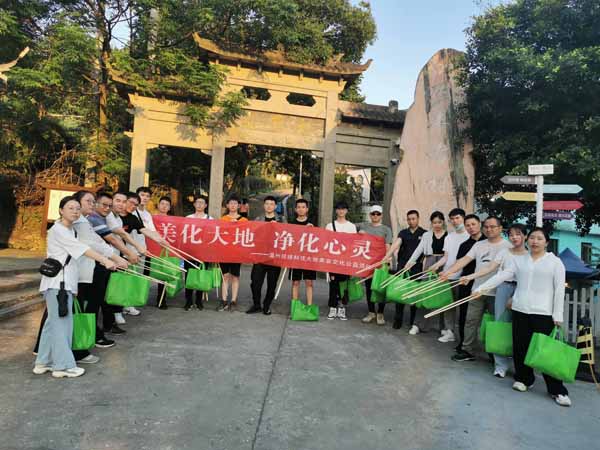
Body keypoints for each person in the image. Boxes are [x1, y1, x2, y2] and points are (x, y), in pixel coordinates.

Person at [472, 227, 571, 407]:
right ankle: (524, 379)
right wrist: (481, 288)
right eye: (532, 238)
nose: (535, 241)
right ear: (527, 240)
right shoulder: (519, 261)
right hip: (520, 310)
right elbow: (502, 275)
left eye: (539, 238)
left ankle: (557, 390)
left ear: (546, 242)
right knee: (520, 347)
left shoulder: (555, 262)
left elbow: (559, 290)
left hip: (544, 313)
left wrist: (558, 314)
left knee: (545, 351)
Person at [33, 196, 116, 379]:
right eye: (70, 208)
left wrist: (74, 288)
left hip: (64, 284)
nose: (75, 211)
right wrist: (105, 260)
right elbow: (82, 249)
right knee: (62, 325)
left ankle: (43, 362)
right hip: (58, 285)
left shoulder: (70, 230)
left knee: (52, 324)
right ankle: (62, 366)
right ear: (61, 210)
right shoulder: (59, 230)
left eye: (77, 208)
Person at [459, 223, 528, 377]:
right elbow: (489, 269)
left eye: (518, 234)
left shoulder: (529, 256)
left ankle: (520, 368)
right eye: (511, 235)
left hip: (522, 290)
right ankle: (500, 366)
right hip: (503, 289)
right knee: (499, 324)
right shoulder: (505, 252)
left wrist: (515, 297)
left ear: (525, 236)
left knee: (519, 328)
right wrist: (471, 278)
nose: (514, 237)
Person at [442, 216, 512, 363]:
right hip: (477, 290)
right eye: (486, 227)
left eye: (492, 227)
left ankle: (495, 353)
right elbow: (464, 260)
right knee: (470, 321)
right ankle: (467, 350)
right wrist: (448, 272)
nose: (489, 229)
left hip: (498, 293)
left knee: (495, 324)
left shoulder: (508, 247)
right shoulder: (479, 245)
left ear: (500, 228)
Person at [72, 190, 128, 357]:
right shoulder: (78, 222)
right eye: (88, 201)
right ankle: (83, 344)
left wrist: (113, 258)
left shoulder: (85, 220)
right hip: (80, 272)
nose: (92, 204)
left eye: (92, 201)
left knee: (88, 307)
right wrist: (112, 258)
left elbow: (97, 243)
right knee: (85, 309)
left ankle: (87, 340)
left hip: (88, 270)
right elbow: (92, 244)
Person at [87, 192, 137, 335]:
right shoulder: (93, 218)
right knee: (95, 300)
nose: (107, 208)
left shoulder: (106, 217)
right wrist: (128, 254)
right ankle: (93, 332)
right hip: (97, 263)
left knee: (105, 295)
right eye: (105, 205)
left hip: (107, 261)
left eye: (109, 205)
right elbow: (112, 240)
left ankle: (106, 326)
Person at [426, 208, 470, 343]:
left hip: (463, 277)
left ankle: (464, 336)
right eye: (452, 219)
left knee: (463, 307)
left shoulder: (469, 236)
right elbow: (446, 257)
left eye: (457, 218)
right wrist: (436, 265)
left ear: (463, 218)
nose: (455, 221)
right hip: (447, 276)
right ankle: (449, 331)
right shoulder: (449, 237)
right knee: (447, 305)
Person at [122, 193, 171, 309]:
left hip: (139, 251)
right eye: (131, 202)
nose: (133, 206)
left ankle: (127, 304)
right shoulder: (115, 215)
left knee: (135, 277)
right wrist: (136, 247)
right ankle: (120, 307)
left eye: (135, 204)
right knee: (123, 279)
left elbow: (146, 230)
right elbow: (121, 234)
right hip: (126, 252)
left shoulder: (139, 217)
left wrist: (161, 241)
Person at [404, 211, 447, 335]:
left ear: (443, 222)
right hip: (429, 263)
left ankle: (443, 327)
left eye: (439, 222)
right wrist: (410, 262)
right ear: (431, 223)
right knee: (424, 293)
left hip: (444, 265)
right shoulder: (427, 235)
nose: (437, 225)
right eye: (434, 222)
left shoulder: (449, 236)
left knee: (441, 295)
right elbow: (419, 250)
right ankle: (418, 324)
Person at [383, 209, 426, 329]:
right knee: (400, 292)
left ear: (418, 219)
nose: (411, 221)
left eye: (413, 219)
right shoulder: (403, 233)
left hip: (417, 268)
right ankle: (398, 319)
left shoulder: (424, 233)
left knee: (414, 293)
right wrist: (386, 257)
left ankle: (413, 321)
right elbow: (395, 245)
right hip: (402, 266)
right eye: (409, 219)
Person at [247, 196, 286, 316]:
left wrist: (277, 227)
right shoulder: (258, 219)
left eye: (271, 204)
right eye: (267, 204)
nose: (269, 206)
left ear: (275, 206)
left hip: (275, 257)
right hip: (260, 257)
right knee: (255, 282)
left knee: (271, 284)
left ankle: (266, 305)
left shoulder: (281, 219)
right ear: (264, 206)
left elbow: (287, 235)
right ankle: (256, 305)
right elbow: (252, 234)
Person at [451, 214, 485, 350]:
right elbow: (459, 263)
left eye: (473, 224)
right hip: (466, 282)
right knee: (464, 315)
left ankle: (489, 349)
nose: (471, 227)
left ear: (479, 224)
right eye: (468, 225)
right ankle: (463, 343)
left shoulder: (487, 241)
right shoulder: (464, 245)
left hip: (484, 283)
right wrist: (448, 273)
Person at [359, 205, 393, 325]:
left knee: (381, 288)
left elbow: (388, 246)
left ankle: (380, 313)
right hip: (368, 263)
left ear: (381, 215)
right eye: (373, 213)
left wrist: (388, 261)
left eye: (378, 214)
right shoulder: (364, 227)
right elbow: (354, 237)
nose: (375, 216)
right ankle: (371, 312)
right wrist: (360, 233)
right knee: (369, 288)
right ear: (370, 215)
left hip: (381, 263)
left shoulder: (386, 229)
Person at [325, 201, 357, 321]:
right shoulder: (329, 226)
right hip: (333, 260)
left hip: (346, 260)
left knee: (344, 285)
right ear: (336, 210)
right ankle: (333, 307)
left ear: (347, 210)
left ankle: (342, 308)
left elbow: (353, 244)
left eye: (343, 208)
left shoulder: (351, 227)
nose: (341, 211)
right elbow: (326, 243)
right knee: (333, 285)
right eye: (339, 208)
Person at [184, 195, 213, 311]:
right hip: (190, 252)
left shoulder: (210, 219)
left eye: (202, 202)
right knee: (189, 275)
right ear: (194, 204)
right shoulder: (188, 218)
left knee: (202, 275)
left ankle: (199, 300)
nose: (200, 204)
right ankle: (188, 300)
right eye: (197, 202)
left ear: (206, 205)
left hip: (204, 252)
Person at [219, 195, 248, 311]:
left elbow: (247, 235)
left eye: (235, 203)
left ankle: (234, 300)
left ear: (239, 206)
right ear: (227, 205)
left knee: (235, 276)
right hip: (224, 252)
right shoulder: (222, 219)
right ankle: (224, 300)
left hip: (237, 252)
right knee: (225, 276)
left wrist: (238, 225)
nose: (233, 205)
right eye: (230, 203)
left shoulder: (244, 220)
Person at [288, 199, 316, 305]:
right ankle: (295, 306)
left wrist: (313, 229)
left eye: (303, 207)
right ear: (295, 209)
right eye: (298, 207)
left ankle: (309, 306)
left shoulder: (312, 223)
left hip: (309, 258)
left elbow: (318, 240)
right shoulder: (291, 223)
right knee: (295, 282)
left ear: (307, 209)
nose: (301, 209)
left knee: (309, 282)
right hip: (295, 257)